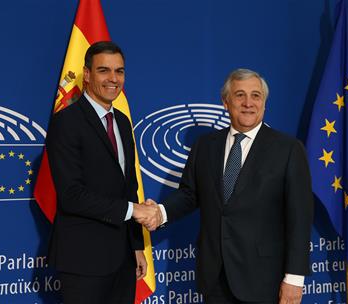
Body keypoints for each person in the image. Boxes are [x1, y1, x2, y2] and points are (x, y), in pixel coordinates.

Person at [140, 69, 314, 303]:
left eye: (256, 96)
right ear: (226, 102)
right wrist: (160, 213)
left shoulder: (288, 150)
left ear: (264, 103)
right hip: (215, 277)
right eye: (240, 95)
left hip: (264, 280)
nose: (248, 103)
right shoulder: (205, 146)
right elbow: (190, 195)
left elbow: (299, 218)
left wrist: (294, 279)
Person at [46, 41, 159, 304]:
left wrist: (136, 246)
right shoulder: (66, 123)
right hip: (84, 260)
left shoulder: (121, 121)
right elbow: (71, 195)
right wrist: (134, 211)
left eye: (119, 71)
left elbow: (128, 187)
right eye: (104, 70)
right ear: (87, 74)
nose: (113, 79)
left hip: (123, 259)